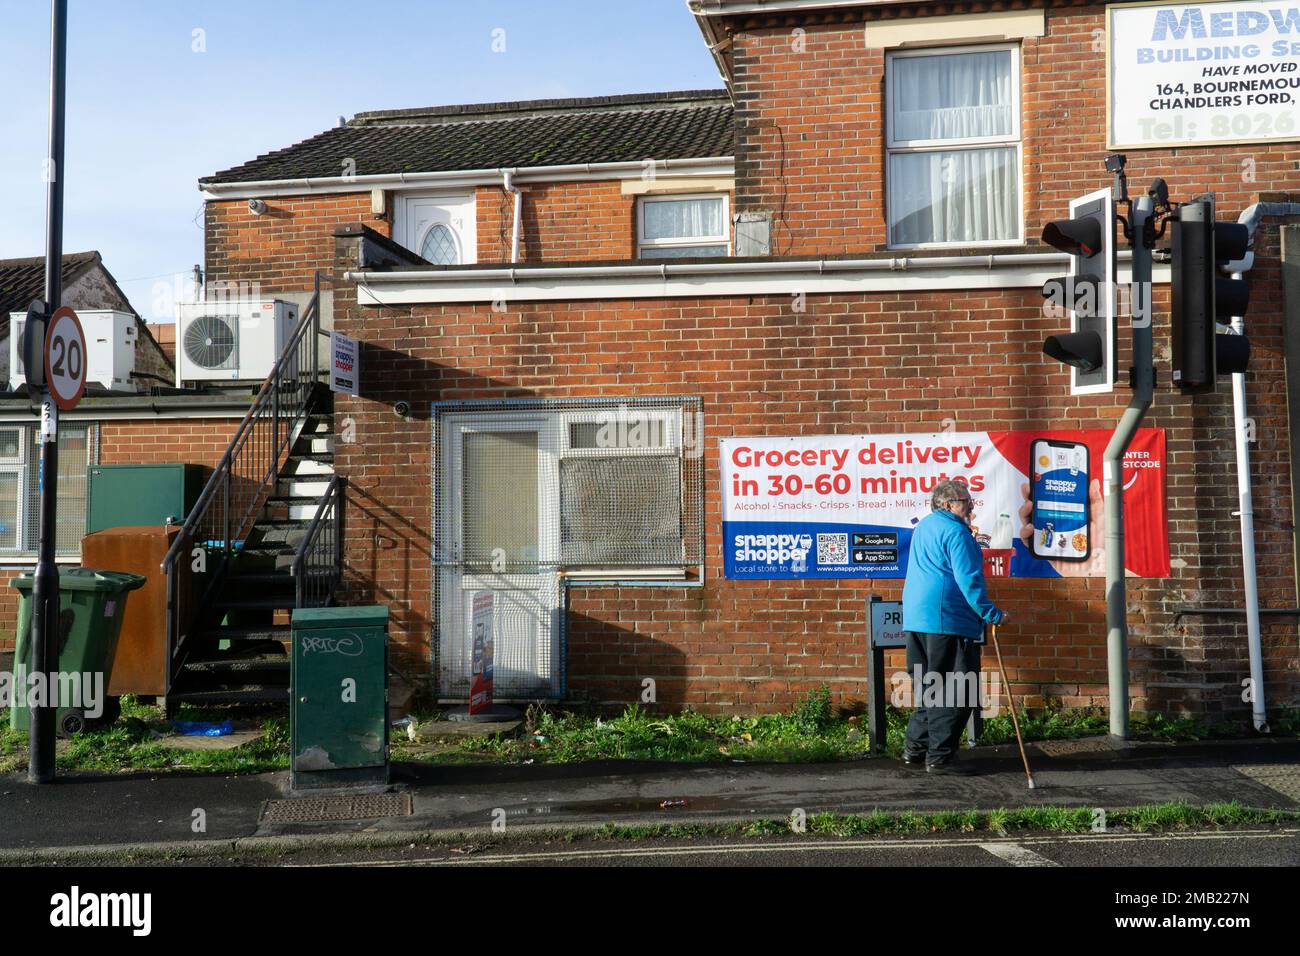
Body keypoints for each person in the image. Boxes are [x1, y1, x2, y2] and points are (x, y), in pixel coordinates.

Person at [900, 479, 1008, 774]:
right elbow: (969, 580)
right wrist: (992, 613)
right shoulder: (958, 533)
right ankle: (940, 757)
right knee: (957, 690)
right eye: (965, 501)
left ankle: (915, 749)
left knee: (929, 687)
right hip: (948, 619)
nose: (971, 506)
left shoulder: (924, 527)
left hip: (917, 619)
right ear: (948, 505)